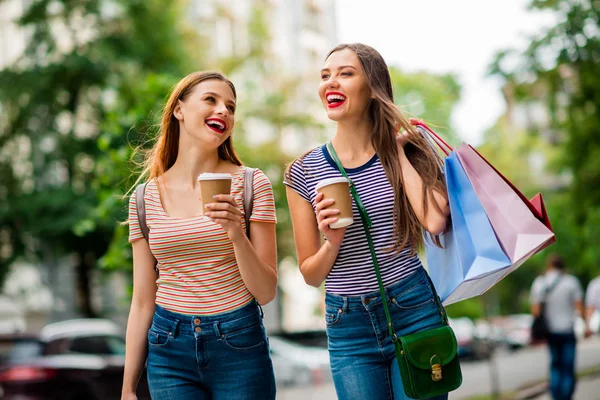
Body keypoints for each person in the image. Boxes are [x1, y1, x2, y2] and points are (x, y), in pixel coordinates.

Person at [284, 43, 451, 400]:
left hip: (413, 307)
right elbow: (311, 274)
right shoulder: (303, 171)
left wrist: (397, 150)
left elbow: (435, 221)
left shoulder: (408, 147)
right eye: (325, 76)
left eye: (346, 73)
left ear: (373, 86)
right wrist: (332, 239)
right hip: (349, 326)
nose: (331, 82)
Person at [121, 71, 278, 400]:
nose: (223, 110)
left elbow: (265, 292)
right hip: (168, 347)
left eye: (231, 107)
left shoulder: (251, 184)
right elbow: (142, 301)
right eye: (211, 100)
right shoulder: (143, 198)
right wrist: (127, 387)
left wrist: (236, 233)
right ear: (179, 109)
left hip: (238, 341)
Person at [530, 254, 588, 400]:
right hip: (568, 330)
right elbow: (579, 307)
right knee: (568, 366)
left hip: (550, 332)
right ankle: (566, 396)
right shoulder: (571, 282)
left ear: (548, 265)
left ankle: (556, 396)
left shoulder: (540, 283)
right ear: (563, 266)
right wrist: (586, 325)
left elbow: (535, 311)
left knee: (555, 365)